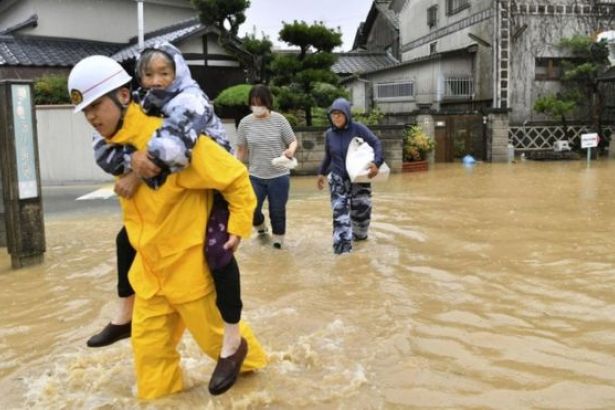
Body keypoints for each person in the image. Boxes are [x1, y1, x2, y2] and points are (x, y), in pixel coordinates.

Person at [68, 55, 267, 398]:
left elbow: (234, 175)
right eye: (86, 110)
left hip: (191, 275)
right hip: (150, 278)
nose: (91, 116)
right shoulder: (115, 150)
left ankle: (269, 389)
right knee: (150, 366)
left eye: (97, 105)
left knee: (227, 351)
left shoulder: (175, 140)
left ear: (124, 97)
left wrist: (237, 226)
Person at [317, 97, 384, 254]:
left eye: (340, 114)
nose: (336, 118)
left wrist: (377, 163)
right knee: (340, 217)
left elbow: (376, 143)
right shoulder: (329, 134)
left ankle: (360, 241)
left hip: (359, 179)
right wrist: (321, 173)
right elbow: (328, 156)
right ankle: (342, 253)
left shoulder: (358, 129)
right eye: (333, 115)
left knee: (362, 215)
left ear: (347, 114)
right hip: (338, 179)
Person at [236, 84, 297, 249]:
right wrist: (235, 170)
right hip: (255, 176)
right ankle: (261, 228)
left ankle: (278, 243)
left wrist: (290, 150)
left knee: (277, 211)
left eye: (260, 103)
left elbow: (292, 140)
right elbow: (241, 149)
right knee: (251, 208)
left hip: (279, 176)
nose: (257, 107)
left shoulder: (279, 120)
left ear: (268, 102)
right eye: (253, 103)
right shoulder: (245, 123)